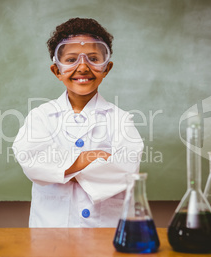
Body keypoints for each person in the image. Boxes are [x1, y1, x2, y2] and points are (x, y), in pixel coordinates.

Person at [12, 17, 144, 227]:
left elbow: (126, 170)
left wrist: (62, 169)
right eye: (71, 59)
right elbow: (32, 161)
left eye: (93, 58)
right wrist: (89, 158)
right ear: (57, 71)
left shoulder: (121, 120)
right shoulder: (40, 117)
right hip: (49, 232)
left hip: (105, 232)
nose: (83, 67)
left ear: (106, 68)